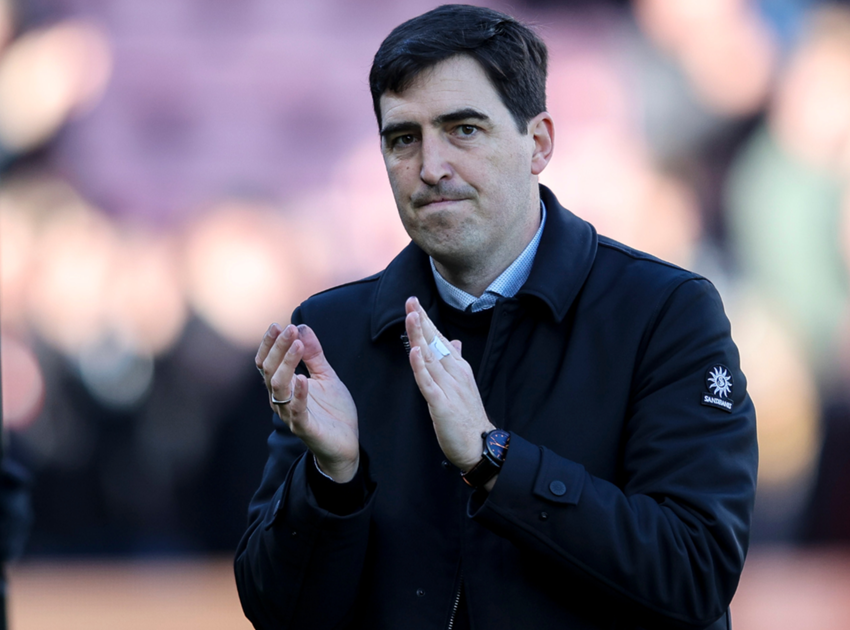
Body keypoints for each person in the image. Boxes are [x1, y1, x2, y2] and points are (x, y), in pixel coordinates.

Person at [234, 5, 758, 629]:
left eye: (464, 129)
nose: (430, 167)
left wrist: (493, 460)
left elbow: (695, 573)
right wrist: (332, 479)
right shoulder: (333, 333)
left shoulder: (665, 315)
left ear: (538, 143)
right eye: (404, 138)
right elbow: (277, 611)